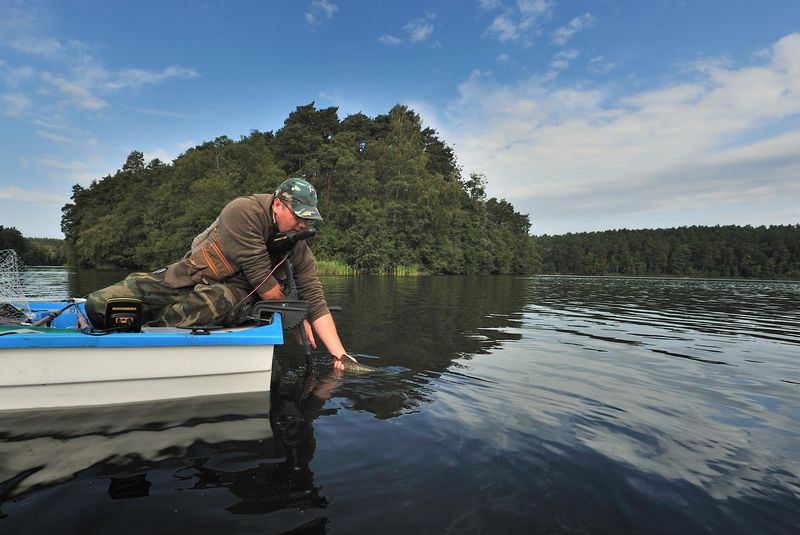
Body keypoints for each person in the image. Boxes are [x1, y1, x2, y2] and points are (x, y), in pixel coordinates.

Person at [85, 177, 351, 370]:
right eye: (298, 216)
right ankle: (131, 324)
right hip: (187, 277)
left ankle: (141, 338)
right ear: (278, 204)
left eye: (308, 219)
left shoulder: (299, 249)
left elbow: (315, 299)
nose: (303, 224)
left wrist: (340, 355)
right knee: (99, 304)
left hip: (233, 296)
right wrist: (294, 315)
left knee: (214, 301)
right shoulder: (244, 211)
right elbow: (262, 276)